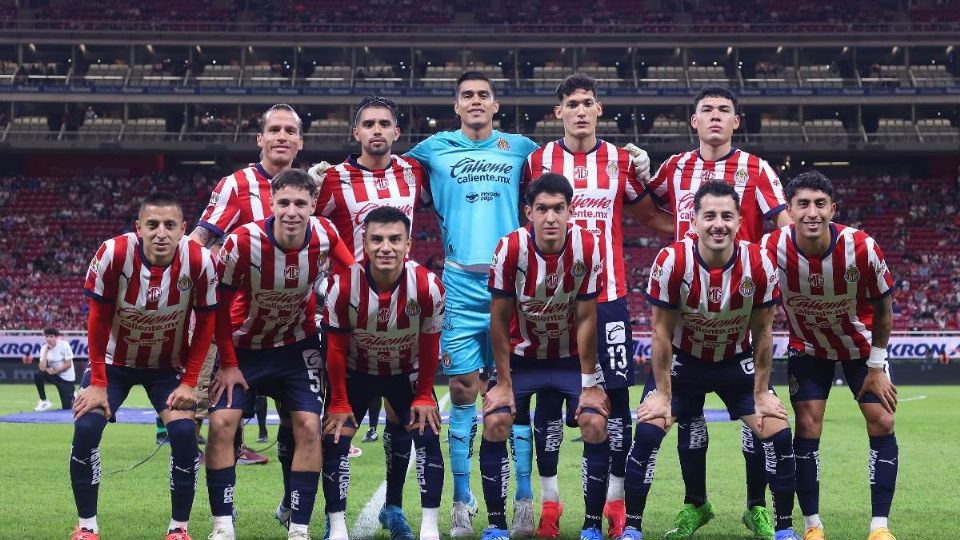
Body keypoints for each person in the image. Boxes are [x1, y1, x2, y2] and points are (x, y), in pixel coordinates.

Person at [523, 73, 672, 538]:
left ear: (599, 109)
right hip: (551, 300)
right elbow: (524, 222)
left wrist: (696, 234)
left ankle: (614, 501)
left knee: (617, 402)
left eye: (588, 102)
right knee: (550, 398)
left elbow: (653, 215)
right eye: (572, 103)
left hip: (607, 298)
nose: (581, 110)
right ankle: (550, 504)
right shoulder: (538, 160)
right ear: (559, 112)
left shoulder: (622, 160)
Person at [642, 86, 791, 539]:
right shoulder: (674, 168)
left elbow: (782, 225)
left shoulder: (755, 168)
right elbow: (647, 212)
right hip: (687, 303)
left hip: (738, 307)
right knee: (687, 421)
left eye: (724, 110)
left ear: (735, 122)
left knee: (757, 419)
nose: (714, 117)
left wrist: (761, 260)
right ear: (693, 121)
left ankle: (756, 507)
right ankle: (696, 504)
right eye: (706, 110)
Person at [619, 181, 800, 540]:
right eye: (710, 216)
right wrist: (663, 395)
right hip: (685, 364)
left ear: (738, 221)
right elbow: (660, 335)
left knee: (777, 431)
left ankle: (782, 528)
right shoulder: (673, 261)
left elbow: (764, 334)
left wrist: (763, 392)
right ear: (694, 221)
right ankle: (632, 529)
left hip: (736, 363)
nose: (719, 224)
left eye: (727, 216)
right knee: (649, 430)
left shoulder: (758, 262)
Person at [404, 71, 541, 537]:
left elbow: (570, 170)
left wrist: (634, 163)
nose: (476, 101)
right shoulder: (431, 149)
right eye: (468, 96)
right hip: (460, 283)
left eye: (484, 95)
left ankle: (524, 499)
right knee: (463, 391)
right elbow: (380, 169)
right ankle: (462, 503)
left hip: (514, 282)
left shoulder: (521, 148)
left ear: (496, 104)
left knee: (515, 393)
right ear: (456, 106)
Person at [205, 169, 354, 540]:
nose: (291, 211)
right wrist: (227, 362)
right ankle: (223, 525)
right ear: (271, 203)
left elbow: (354, 277)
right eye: (284, 202)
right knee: (222, 424)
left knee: (308, 425)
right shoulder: (242, 242)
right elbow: (216, 308)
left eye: (300, 203)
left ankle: (298, 528)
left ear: (313, 206)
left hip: (296, 347)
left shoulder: (325, 233)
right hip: (243, 349)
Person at [312, 95, 432, 539]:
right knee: (336, 420)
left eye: (385, 123)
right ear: (355, 133)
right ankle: (324, 513)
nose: (377, 130)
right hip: (349, 316)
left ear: (397, 133)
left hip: (401, 314)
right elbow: (307, 223)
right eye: (368, 124)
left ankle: (394, 508)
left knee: (402, 418)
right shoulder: (333, 179)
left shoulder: (413, 171)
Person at [71, 192, 218, 540]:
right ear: (139, 228)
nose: (161, 233)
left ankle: (178, 528)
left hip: (167, 368)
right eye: (152, 225)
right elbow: (97, 319)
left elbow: (207, 322)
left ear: (183, 229)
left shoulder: (199, 260)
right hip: (113, 364)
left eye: (170, 225)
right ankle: (87, 527)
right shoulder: (113, 253)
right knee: (86, 427)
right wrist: (98, 382)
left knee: (184, 434)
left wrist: (190, 382)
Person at [761, 172, 897, 540]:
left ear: (832, 208)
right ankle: (812, 525)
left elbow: (884, 308)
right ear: (788, 210)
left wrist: (877, 366)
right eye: (802, 204)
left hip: (862, 347)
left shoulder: (862, 247)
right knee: (807, 427)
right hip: (808, 346)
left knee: (882, 421)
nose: (811, 212)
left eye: (820, 204)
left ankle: (880, 527)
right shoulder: (770, 247)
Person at [481, 173, 609, 540]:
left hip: (570, 360)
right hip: (521, 360)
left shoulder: (587, 246)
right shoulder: (509, 249)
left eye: (558, 209)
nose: (551, 217)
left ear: (571, 211)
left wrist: (589, 384)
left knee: (595, 423)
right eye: (542, 209)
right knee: (495, 422)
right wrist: (503, 383)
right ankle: (495, 525)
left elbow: (586, 318)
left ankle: (591, 526)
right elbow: (500, 320)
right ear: (528, 213)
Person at [192, 104, 303, 494]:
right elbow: (199, 241)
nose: (282, 137)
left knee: (299, 420)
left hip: (293, 328)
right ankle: (221, 513)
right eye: (275, 130)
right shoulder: (236, 185)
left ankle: (292, 504)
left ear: (299, 142)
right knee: (220, 419)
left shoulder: (308, 190)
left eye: (290, 131)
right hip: (235, 327)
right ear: (260, 139)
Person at [321, 206, 446, 540]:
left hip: (406, 373)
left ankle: (429, 528)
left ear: (408, 245)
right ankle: (335, 527)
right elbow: (333, 349)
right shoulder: (342, 286)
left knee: (428, 434)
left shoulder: (428, 286)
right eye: (376, 239)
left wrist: (424, 394)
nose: (385, 247)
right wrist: (337, 400)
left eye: (394, 239)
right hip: (355, 371)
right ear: (365, 241)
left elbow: (431, 345)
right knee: (335, 438)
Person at [33, 327, 76, 411]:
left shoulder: (64, 345)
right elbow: (42, 368)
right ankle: (44, 401)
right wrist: (46, 352)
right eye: (47, 336)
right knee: (38, 375)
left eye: (51, 336)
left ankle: (73, 395)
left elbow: (68, 364)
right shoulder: (44, 348)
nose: (49, 339)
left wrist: (54, 371)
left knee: (66, 408)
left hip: (67, 379)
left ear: (56, 337)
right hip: (55, 376)